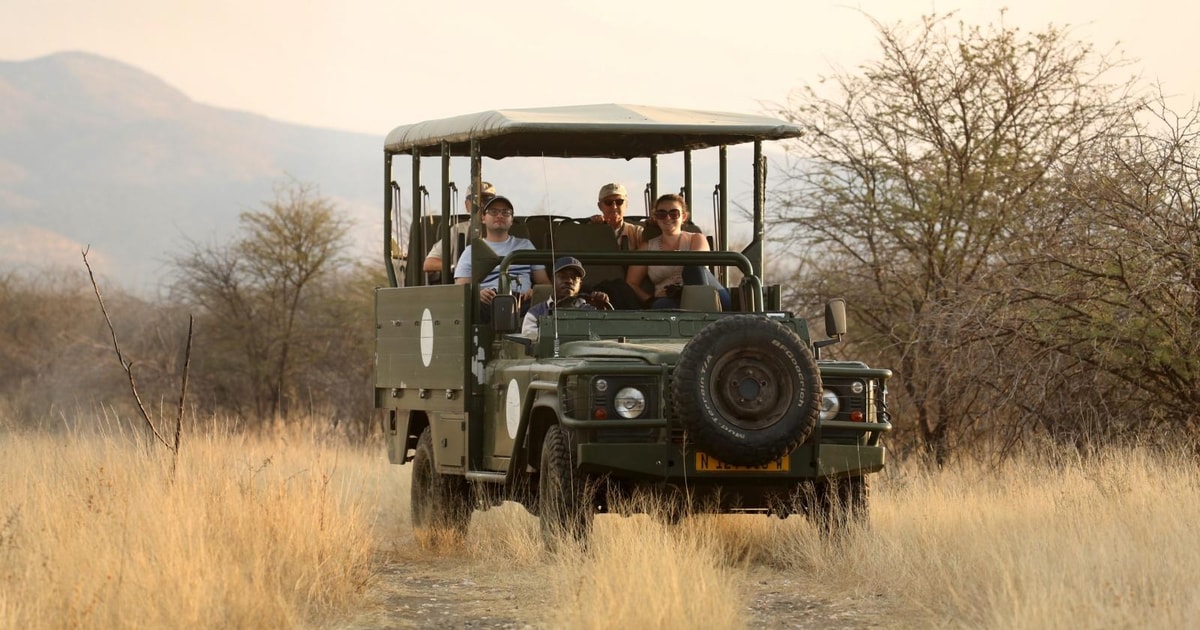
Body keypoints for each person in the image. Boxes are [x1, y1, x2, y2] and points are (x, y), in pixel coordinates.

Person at [625, 193, 731, 310]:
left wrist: (679, 290)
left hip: (706, 295)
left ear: (684, 216)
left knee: (693, 267)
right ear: (656, 217)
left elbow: (697, 264)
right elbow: (631, 283)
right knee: (661, 307)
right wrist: (650, 299)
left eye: (674, 213)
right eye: (662, 214)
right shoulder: (647, 248)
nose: (668, 218)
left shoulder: (696, 238)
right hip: (670, 300)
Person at [455, 195, 550, 309]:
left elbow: (545, 283)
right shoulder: (472, 250)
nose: (499, 215)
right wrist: (478, 295)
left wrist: (535, 292)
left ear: (511, 221)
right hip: (487, 304)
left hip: (523, 302)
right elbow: (461, 289)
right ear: (483, 218)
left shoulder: (526, 245)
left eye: (506, 212)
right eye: (493, 211)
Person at [521, 257, 611, 337]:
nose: (569, 281)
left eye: (574, 277)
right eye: (563, 276)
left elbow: (605, 337)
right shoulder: (535, 313)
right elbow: (531, 340)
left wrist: (602, 313)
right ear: (552, 281)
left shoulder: (591, 310)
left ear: (580, 284)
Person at [423, 181, 496, 274]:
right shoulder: (458, 230)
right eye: (475, 201)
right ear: (467, 205)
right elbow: (429, 263)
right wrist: (456, 267)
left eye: (487, 201)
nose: (481, 205)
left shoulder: (506, 228)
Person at [589, 182, 644, 251]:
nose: (614, 207)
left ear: (626, 204)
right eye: (608, 202)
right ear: (600, 206)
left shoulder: (636, 233)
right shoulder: (591, 231)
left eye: (619, 202)